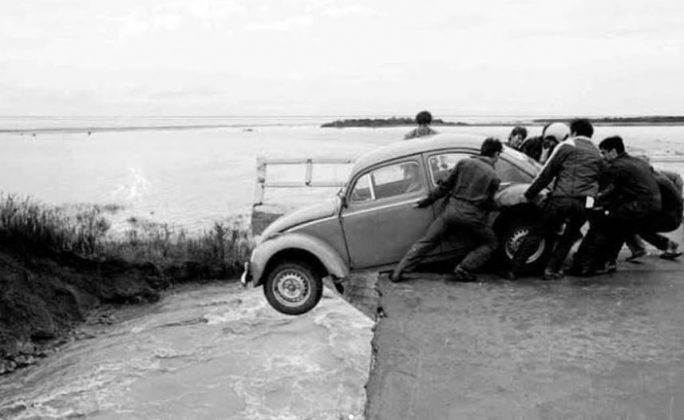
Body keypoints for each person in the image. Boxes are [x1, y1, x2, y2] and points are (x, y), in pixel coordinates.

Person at [390, 138, 503, 282]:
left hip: (450, 213)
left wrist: (427, 201)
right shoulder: (493, 176)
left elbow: (445, 187)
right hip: (473, 218)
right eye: (498, 157)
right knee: (491, 243)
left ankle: (399, 271)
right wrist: (499, 206)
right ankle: (464, 267)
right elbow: (487, 202)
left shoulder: (463, 163)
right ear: (496, 154)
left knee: (427, 242)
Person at [503, 119, 602, 280]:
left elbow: (547, 172)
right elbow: (601, 178)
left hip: (561, 198)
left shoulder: (567, 146)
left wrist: (529, 194)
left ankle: (514, 270)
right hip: (585, 202)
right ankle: (551, 270)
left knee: (538, 231)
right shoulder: (597, 152)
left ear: (574, 132)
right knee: (569, 236)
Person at [569, 136, 661, 276]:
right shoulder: (637, 162)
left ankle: (586, 265)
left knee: (600, 225)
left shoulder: (617, 166)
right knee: (617, 228)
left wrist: (592, 204)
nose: (603, 157)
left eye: (604, 153)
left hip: (638, 206)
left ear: (613, 151)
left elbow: (608, 191)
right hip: (652, 206)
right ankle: (607, 263)